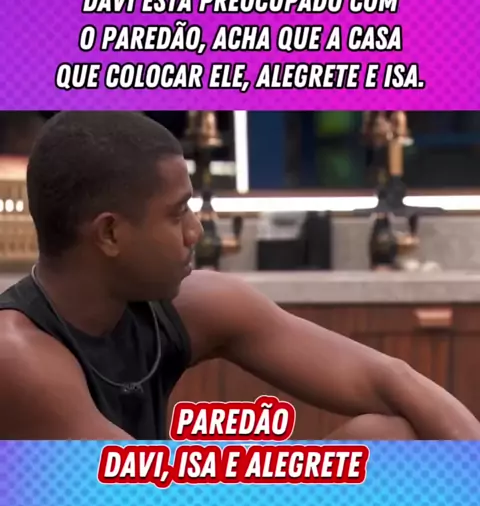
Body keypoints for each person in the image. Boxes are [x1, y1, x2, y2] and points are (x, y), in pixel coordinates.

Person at [0, 111, 479, 441]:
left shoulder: (183, 306)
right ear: (109, 233)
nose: (195, 231)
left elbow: (390, 379)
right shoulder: (18, 357)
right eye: (177, 213)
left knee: (388, 437)